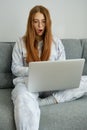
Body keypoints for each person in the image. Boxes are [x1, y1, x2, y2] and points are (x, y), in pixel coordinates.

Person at [11, 5, 87, 130]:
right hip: (28, 84)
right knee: (21, 97)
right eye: (36, 22)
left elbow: (62, 67)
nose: (40, 26)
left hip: (52, 86)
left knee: (85, 81)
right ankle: (32, 102)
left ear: (48, 23)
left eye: (43, 22)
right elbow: (15, 68)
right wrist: (35, 69)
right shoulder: (20, 42)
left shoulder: (56, 42)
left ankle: (45, 102)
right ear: (31, 23)